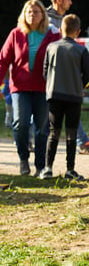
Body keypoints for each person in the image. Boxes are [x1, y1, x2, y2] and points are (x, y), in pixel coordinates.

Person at [0, 0, 60, 176]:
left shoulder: (52, 35)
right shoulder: (16, 34)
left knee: (42, 128)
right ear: (24, 14)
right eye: (29, 11)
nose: (32, 14)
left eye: (36, 11)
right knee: (20, 123)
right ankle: (23, 158)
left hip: (44, 88)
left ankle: (39, 165)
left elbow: (61, 58)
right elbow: (3, 61)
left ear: (43, 15)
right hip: (20, 87)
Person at [40, 14, 89, 181]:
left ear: (60, 30)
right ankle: (70, 169)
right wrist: (79, 86)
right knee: (71, 132)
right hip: (74, 96)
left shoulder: (51, 47)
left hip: (54, 95)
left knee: (53, 132)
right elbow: (87, 75)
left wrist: (52, 85)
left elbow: (45, 72)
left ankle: (47, 168)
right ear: (78, 31)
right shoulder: (82, 50)